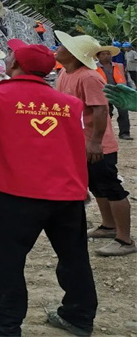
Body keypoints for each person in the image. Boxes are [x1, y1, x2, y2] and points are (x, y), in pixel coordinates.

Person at [0, 40, 97, 337]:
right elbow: (72, 144)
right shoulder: (69, 103)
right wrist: (81, 183)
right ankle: (79, 317)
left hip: (17, 194)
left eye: (11, 56)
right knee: (74, 257)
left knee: (8, 261)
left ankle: (5, 323)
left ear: (15, 64)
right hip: (66, 194)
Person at [54, 31, 135, 256]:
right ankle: (108, 226)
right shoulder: (65, 73)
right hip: (80, 143)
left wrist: (95, 142)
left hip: (97, 145)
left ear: (74, 54)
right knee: (96, 186)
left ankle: (125, 240)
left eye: (63, 47)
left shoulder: (88, 77)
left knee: (111, 187)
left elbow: (100, 110)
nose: (58, 49)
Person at [95, 47, 132, 140]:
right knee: (106, 114)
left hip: (119, 93)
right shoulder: (94, 67)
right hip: (104, 93)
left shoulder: (119, 66)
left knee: (123, 112)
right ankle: (104, 134)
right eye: (103, 54)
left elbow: (125, 77)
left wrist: (128, 89)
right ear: (98, 56)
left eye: (108, 54)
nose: (106, 56)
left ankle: (124, 133)